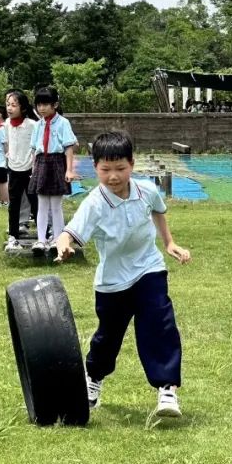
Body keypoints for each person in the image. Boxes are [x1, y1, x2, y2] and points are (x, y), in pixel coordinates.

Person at [55, 131, 190, 418]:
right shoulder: (94, 203)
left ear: (132, 164)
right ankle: (93, 378)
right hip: (113, 282)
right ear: (95, 168)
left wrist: (169, 243)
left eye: (120, 169)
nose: (113, 176)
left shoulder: (146, 190)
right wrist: (64, 245)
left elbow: (158, 211)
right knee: (108, 338)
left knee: (160, 323)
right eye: (105, 170)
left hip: (149, 269)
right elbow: (69, 232)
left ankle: (167, 389)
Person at [29, 86, 77, 252]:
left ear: (55, 104)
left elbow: (69, 147)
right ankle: (41, 240)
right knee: (42, 204)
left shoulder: (63, 123)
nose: (41, 108)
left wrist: (69, 170)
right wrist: (33, 169)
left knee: (56, 205)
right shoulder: (37, 125)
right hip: (42, 163)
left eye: (45, 104)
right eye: (38, 105)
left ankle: (58, 239)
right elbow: (35, 149)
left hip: (57, 162)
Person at [4, 89, 38, 253]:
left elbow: (37, 145)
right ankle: (13, 236)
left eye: (13, 105)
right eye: (8, 105)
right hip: (14, 169)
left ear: (23, 108)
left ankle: (44, 235)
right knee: (14, 204)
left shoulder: (32, 125)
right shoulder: (6, 124)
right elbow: (9, 143)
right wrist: (9, 156)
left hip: (30, 168)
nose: (9, 108)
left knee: (35, 202)